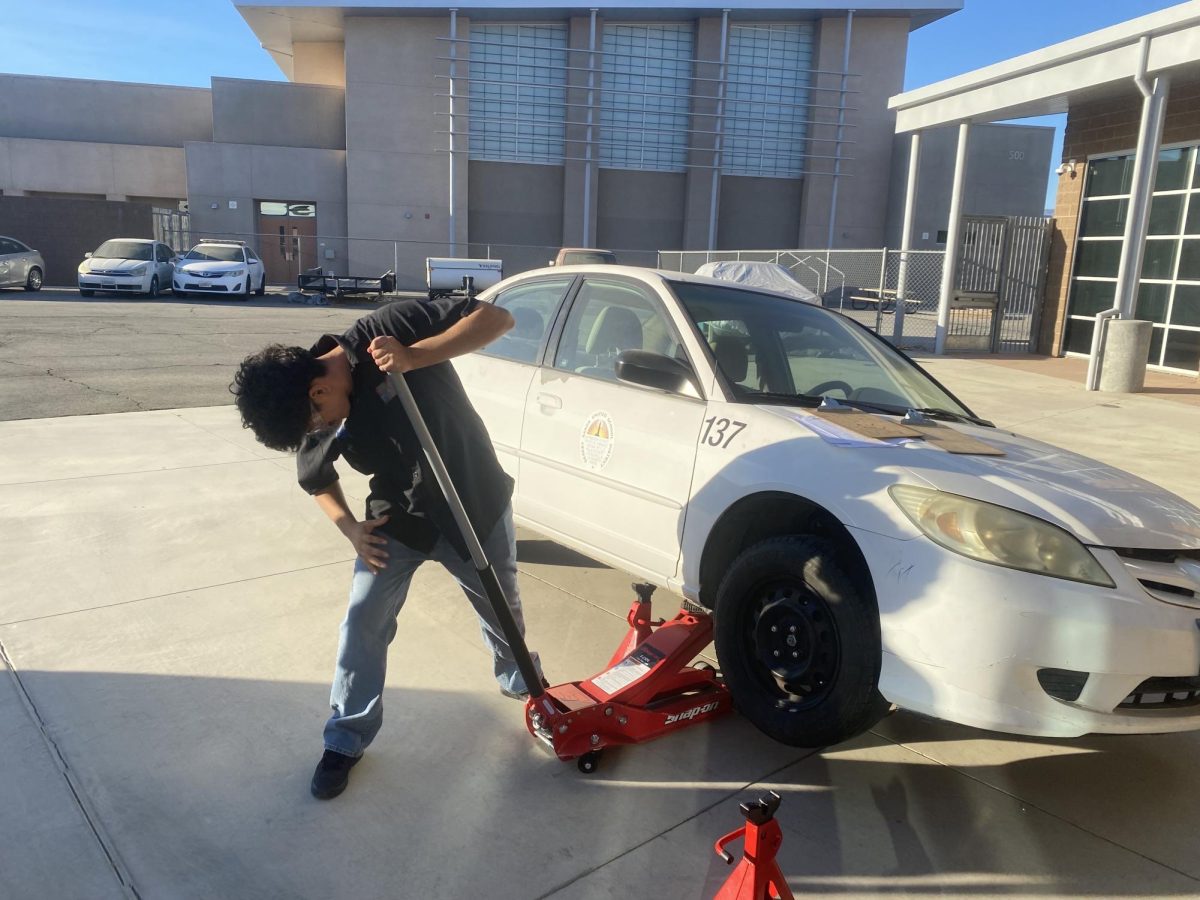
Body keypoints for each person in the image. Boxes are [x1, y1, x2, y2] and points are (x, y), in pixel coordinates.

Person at [230, 293, 542, 800]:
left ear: (319, 387)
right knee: (363, 619)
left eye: (320, 419)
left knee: (501, 611)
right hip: (397, 522)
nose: (323, 429)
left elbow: (498, 318)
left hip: (475, 504)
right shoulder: (311, 408)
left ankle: (526, 686)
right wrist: (351, 528)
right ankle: (345, 738)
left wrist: (416, 356)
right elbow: (315, 479)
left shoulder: (392, 326)